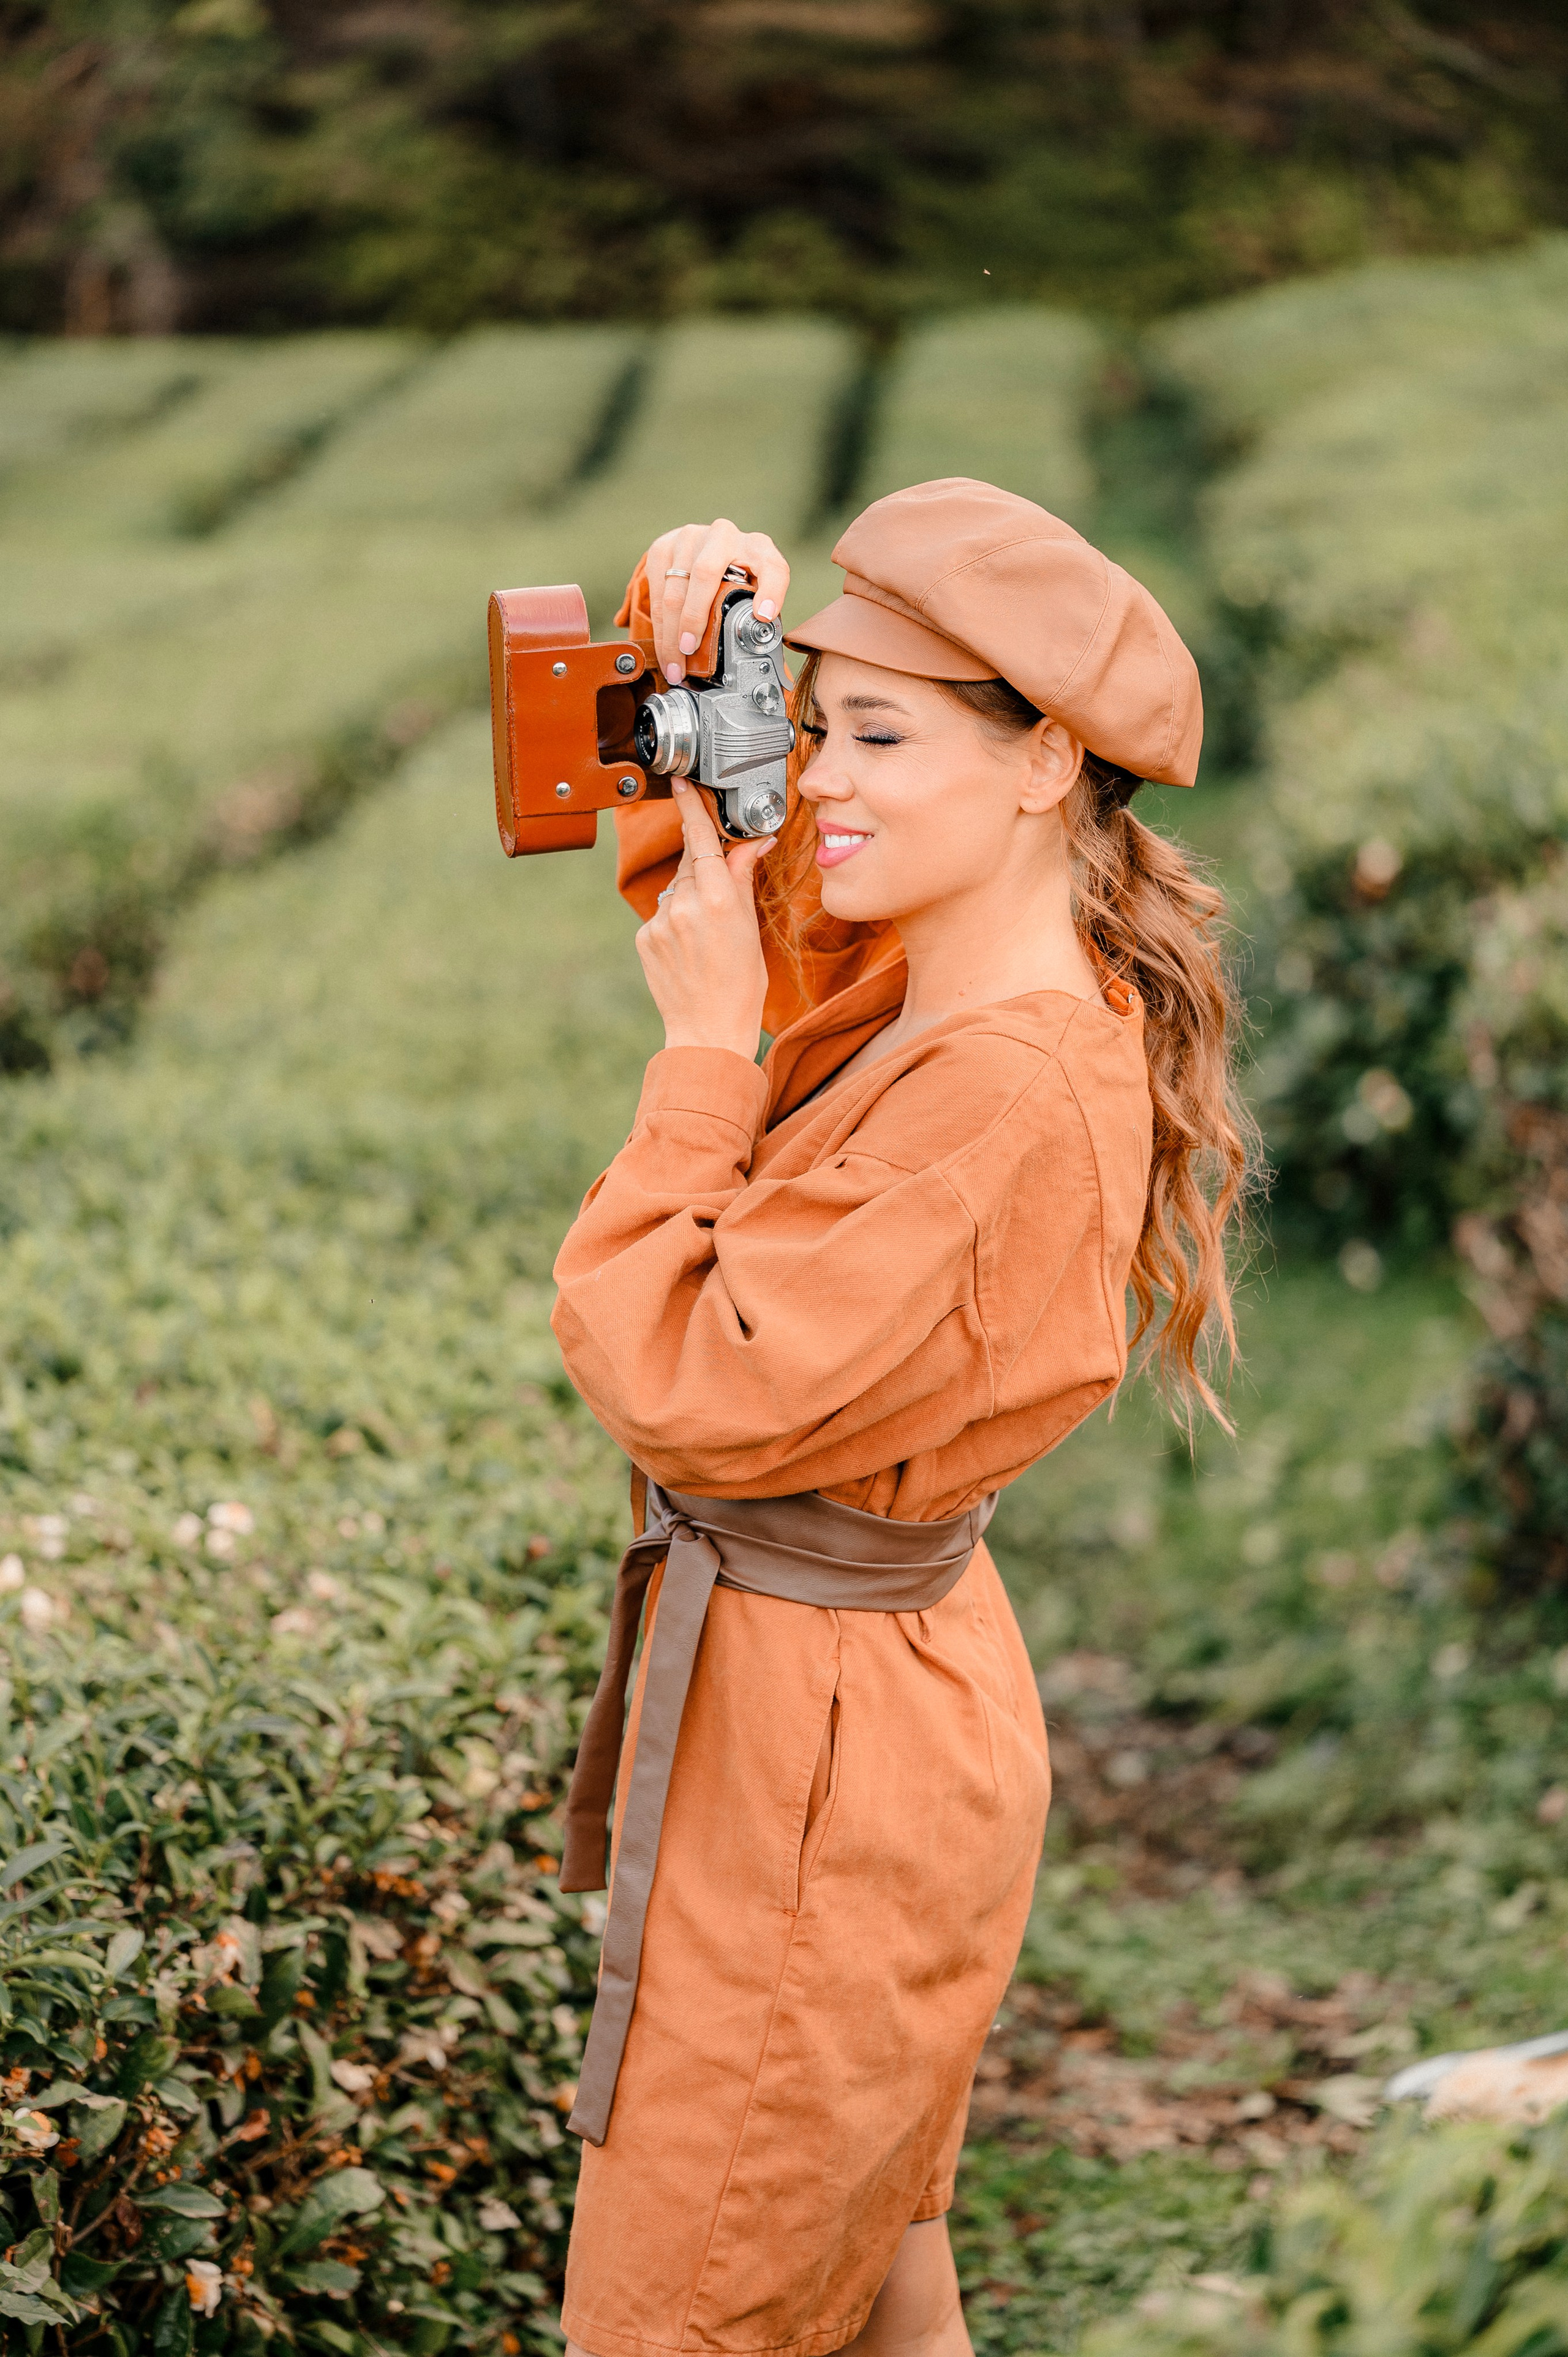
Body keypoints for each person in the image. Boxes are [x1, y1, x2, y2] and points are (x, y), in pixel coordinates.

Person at [548, 480, 1251, 2357]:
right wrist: (708, 632)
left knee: (679, 2307)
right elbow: (755, 886)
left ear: (1043, 770)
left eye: (875, 733)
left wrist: (697, 1060)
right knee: (872, 2289)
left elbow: (686, 1375)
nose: (821, 776)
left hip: (827, 1760)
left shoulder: (992, 1088)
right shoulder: (960, 982)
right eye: (812, 721)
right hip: (862, 1708)